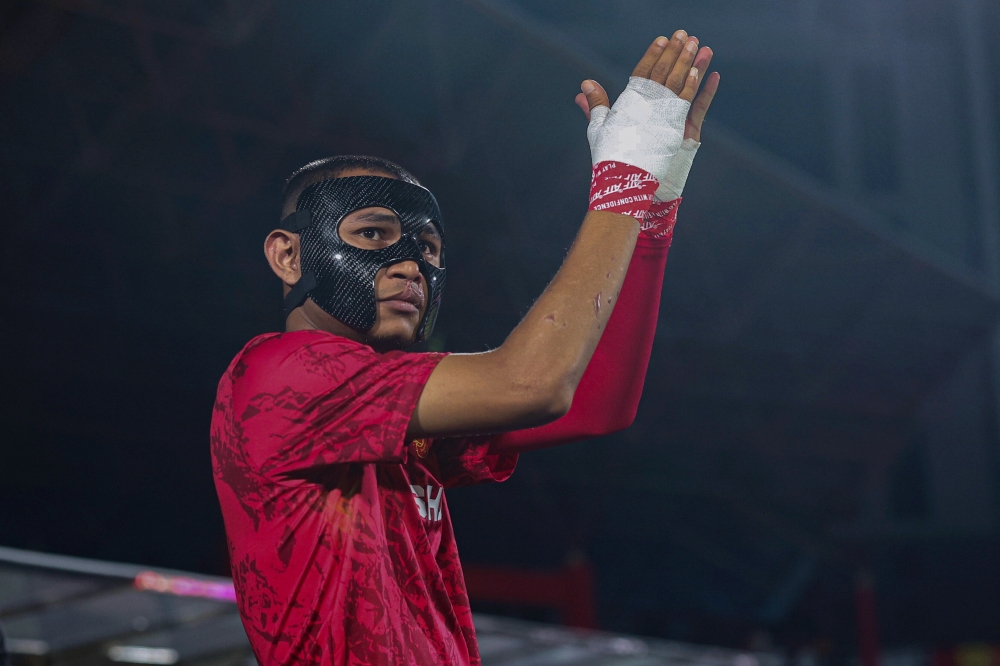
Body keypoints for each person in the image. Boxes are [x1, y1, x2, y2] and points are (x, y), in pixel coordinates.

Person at [212, 32, 719, 666]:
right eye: (373, 232)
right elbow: (532, 383)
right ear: (289, 255)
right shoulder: (278, 374)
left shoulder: (383, 398)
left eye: (427, 249)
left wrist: (650, 209)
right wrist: (623, 177)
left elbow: (594, 404)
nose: (411, 266)